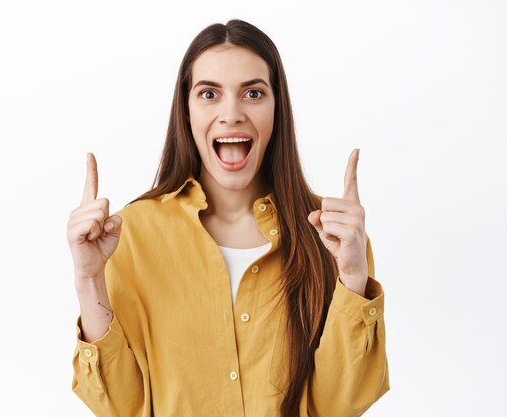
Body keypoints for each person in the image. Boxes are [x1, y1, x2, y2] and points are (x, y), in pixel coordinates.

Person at [67, 19, 389, 417]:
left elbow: (340, 406)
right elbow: (122, 407)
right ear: (186, 111)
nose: (231, 113)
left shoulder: (333, 236)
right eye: (209, 94)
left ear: (277, 110)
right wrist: (88, 278)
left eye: (253, 93)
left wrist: (353, 279)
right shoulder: (128, 235)